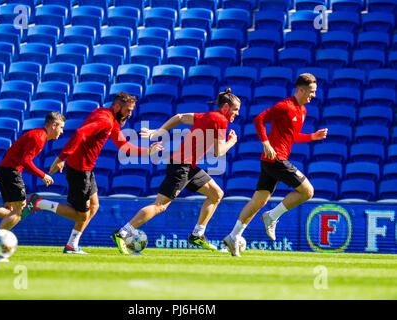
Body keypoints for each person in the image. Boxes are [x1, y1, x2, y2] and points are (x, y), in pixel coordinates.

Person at [21, 91, 163, 254]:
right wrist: (61, 158)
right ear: (117, 107)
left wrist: (148, 151)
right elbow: (81, 133)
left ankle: (72, 245)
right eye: (128, 110)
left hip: (86, 169)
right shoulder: (105, 120)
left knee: (94, 206)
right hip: (79, 170)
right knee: (81, 215)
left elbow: (125, 147)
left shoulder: (110, 119)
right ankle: (39, 203)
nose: (130, 114)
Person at [112, 88, 241, 255]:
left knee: (216, 194)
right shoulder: (221, 120)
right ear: (225, 107)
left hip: (189, 166)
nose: (237, 113)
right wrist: (232, 141)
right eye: (236, 109)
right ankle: (122, 233)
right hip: (182, 166)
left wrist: (159, 131)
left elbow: (179, 117)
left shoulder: (207, 116)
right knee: (160, 206)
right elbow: (218, 151)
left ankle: (197, 234)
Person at [222, 73, 328, 257]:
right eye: (311, 91)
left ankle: (233, 236)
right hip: (275, 158)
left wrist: (312, 136)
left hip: (271, 160)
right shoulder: (285, 106)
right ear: (301, 90)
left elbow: (292, 136)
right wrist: (266, 143)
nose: (313, 95)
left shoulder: (302, 111)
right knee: (307, 191)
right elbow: (259, 120)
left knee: (258, 201)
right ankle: (272, 216)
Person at [0, 112, 66, 236]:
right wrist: (43, 175)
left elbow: (14, 150)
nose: (62, 131)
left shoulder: (37, 134)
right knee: (18, 212)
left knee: (11, 211)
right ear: (54, 125)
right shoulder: (39, 137)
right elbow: (25, 161)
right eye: (61, 127)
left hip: (6, 169)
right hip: (11, 171)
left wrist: (1, 169)